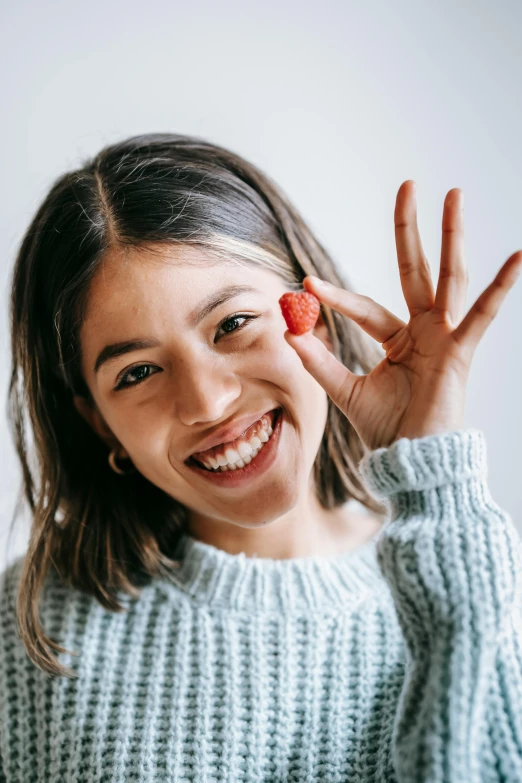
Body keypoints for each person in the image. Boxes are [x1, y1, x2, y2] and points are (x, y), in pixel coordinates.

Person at [0, 132, 521, 782]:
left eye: (232, 324)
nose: (209, 402)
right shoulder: (28, 630)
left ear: (317, 317)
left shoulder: (484, 586)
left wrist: (432, 483)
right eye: (137, 373)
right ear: (101, 427)